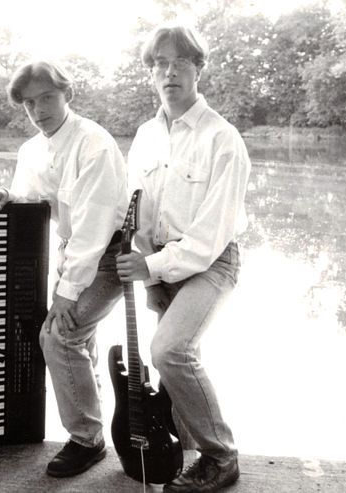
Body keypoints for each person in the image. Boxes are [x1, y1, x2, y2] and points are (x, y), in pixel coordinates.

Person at [116, 24, 251, 493]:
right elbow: (139, 212)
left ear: (199, 69)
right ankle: (186, 457)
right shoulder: (146, 135)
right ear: (151, 73)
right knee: (176, 361)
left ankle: (222, 457)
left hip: (213, 263)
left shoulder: (223, 139)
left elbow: (212, 235)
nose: (169, 72)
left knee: (170, 351)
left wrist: (151, 269)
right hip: (160, 261)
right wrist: (151, 273)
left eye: (180, 63)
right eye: (159, 64)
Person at [0, 60, 128, 477]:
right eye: (29, 103)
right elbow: (34, 199)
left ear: (68, 95)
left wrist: (67, 290)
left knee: (59, 335)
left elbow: (94, 227)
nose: (39, 109)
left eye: (47, 98)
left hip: (111, 255)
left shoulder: (93, 144)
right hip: (74, 255)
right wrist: (6, 193)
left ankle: (88, 439)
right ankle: (93, 420)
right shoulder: (31, 149)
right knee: (78, 339)